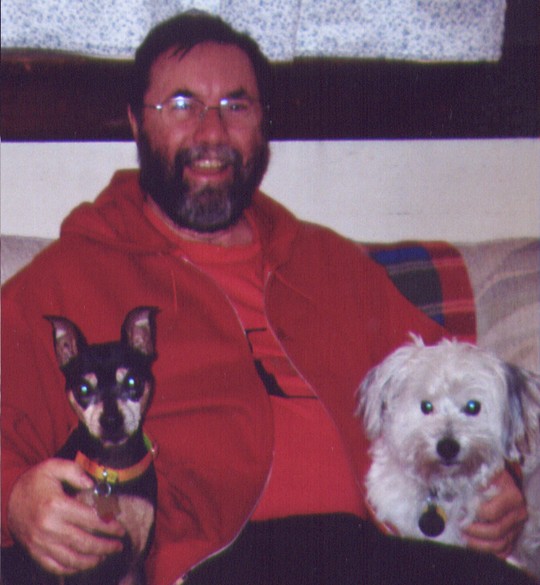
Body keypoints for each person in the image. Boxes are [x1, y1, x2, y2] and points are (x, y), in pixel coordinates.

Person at [1, 11, 532, 585]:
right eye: (181, 105)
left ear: (263, 125)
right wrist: (15, 500)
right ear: (136, 121)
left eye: (236, 106)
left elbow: (456, 382)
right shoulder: (72, 274)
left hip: (375, 553)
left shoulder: (328, 262)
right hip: (212, 563)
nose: (211, 132)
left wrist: (498, 479)